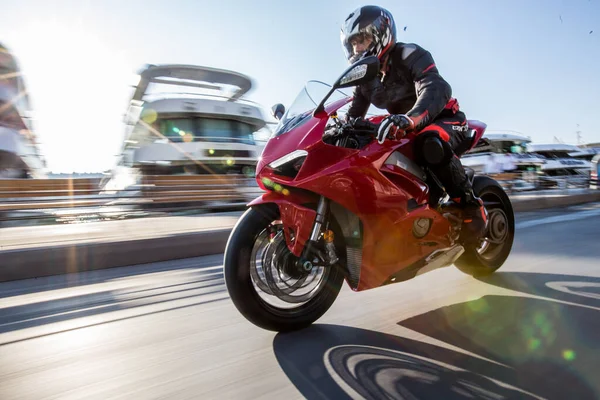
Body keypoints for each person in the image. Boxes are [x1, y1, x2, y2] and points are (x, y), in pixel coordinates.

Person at [340, 5, 487, 244]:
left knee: (429, 142)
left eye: (363, 39)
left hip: (443, 119)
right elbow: (353, 115)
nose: (358, 47)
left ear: (381, 33)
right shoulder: (366, 78)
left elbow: (435, 87)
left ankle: (471, 206)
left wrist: (411, 118)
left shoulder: (410, 54)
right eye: (353, 42)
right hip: (404, 127)